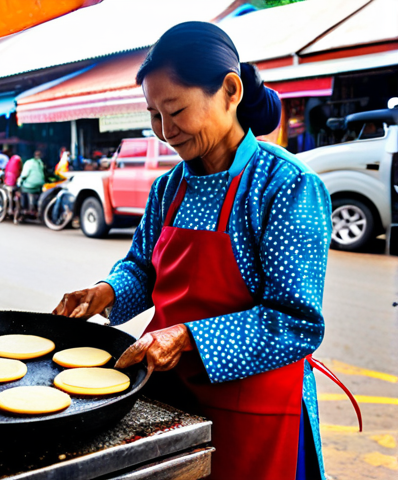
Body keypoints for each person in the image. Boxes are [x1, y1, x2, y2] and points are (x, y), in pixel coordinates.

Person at [53, 22, 358, 480]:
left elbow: (295, 321)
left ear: (230, 90)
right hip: (172, 393)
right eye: (154, 115)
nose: (164, 131)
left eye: (175, 111)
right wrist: (107, 292)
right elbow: (142, 268)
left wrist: (187, 337)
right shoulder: (167, 188)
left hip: (256, 406)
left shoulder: (286, 186)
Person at [17, 150, 45, 215]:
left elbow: (24, 175)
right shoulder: (41, 163)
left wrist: (19, 182)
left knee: (22, 190)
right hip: (40, 185)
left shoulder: (28, 162)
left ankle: (25, 209)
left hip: (30, 186)